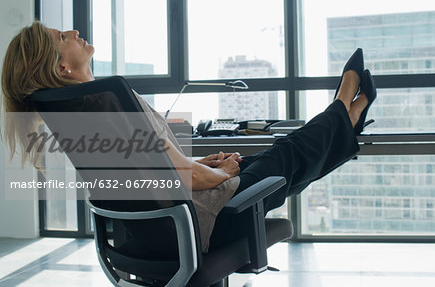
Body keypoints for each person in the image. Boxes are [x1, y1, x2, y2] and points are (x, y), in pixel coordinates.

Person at [1, 21, 376, 252]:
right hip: (197, 224)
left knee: (272, 158)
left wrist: (204, 165)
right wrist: (218, 175)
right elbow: (176, 177)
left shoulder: (79, 113)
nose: (75, 32)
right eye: (65, 36)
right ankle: (344, 106)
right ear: (62, 66)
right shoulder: (107, 102)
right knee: (288, 155)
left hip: (154, 231)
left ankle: (347, 116)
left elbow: (151, 173)